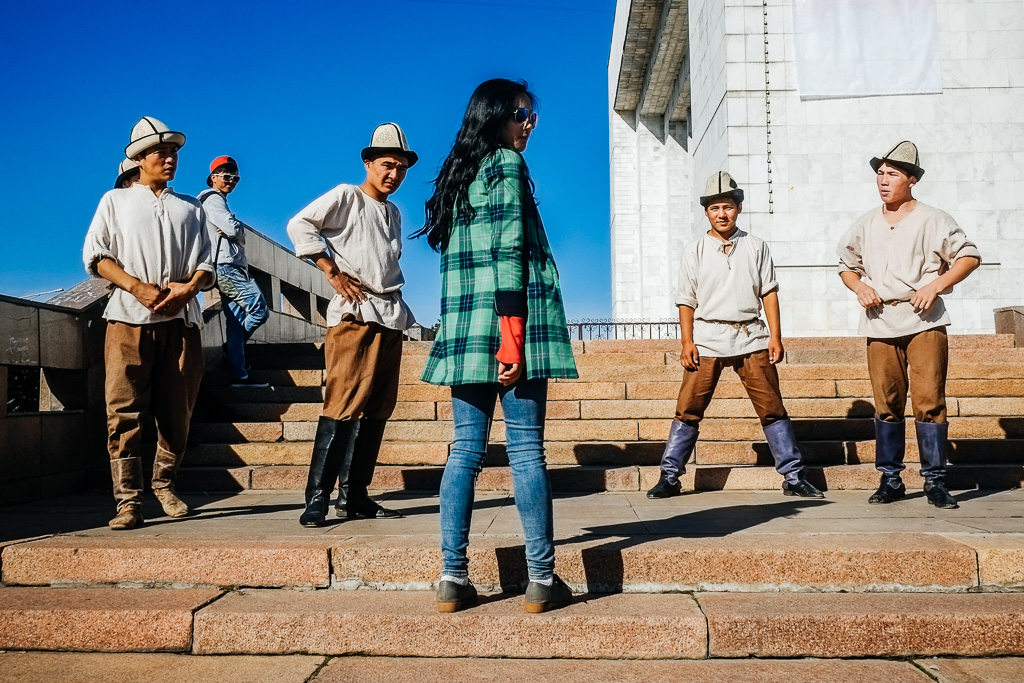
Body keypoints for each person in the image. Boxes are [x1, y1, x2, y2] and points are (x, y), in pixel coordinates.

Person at [415, 79, 578, 614]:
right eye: (520, 114)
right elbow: (509, 252)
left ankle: (452, 577)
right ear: (494, 116)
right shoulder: (507, 165)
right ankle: (539, 579)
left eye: (532, 116)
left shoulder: (458, 177)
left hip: (465, 333)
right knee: (527, 453)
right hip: (510, 328)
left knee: (464, 452)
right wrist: (512, 340)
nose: (528, 124)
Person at [646, 172, 825, 501]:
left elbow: (769, 294)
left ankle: (794, 476)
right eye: (714, 208)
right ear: (706, 213)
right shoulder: (695, 250)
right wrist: (687, 343)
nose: (722, 214)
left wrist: (776, 336)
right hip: (707, 339)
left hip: (751, 337)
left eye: (727, 207)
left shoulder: (756, 246)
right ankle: (670, 476)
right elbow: (686, 301)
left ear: (738, 208)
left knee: (772, 408)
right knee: (688, 409)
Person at [83, 116, 215, 530]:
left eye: (174, 151)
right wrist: (136, 287)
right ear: (139, 158)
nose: (170, 158)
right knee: (123, 408)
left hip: (181, 322)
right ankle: (128, 501)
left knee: (179, 409)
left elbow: (208, 266)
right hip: (127, 319)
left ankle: (165, 483)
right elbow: (97, 256)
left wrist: (191, 287)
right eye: (160, 151)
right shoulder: (115, 201)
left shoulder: (190, 207)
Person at [837, 141, 981, 509]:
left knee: (930, 401)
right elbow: (845, 265)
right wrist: (860, 286)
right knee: (887, 403)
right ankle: (891, 479)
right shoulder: (866, 222)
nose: (883, 181)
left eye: (893, 174)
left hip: (924, 322)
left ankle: (934, 480)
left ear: (912, 180)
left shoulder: (934, 219)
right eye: (880, 174)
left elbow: (969, 256)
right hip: (881, 321)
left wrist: (936, 285)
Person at [287, 123, 417, 527]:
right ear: (368, 163)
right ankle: (317, 498)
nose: (392, 173)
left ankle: (354, 494)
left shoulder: (393, 212)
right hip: (354, 313)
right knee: (342, 404)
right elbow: (299, 225)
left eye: (400, 167)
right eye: (385, 165)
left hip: (390, 314)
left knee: (377, 409)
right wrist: (329, 269)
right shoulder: (348, 195)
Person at [198, 155, 270, 387]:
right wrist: (236, 227)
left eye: (235, 177)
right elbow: (232, 228)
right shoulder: (213, 200)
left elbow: (229, 229)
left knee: (236, 321)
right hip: (227, 267)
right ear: (213, 178)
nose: (231, 181)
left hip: (229, 266)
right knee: (259, 309)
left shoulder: (216, 201)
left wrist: (232, 229)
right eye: (226, 176)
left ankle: (239, 375)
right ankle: (232, 349)